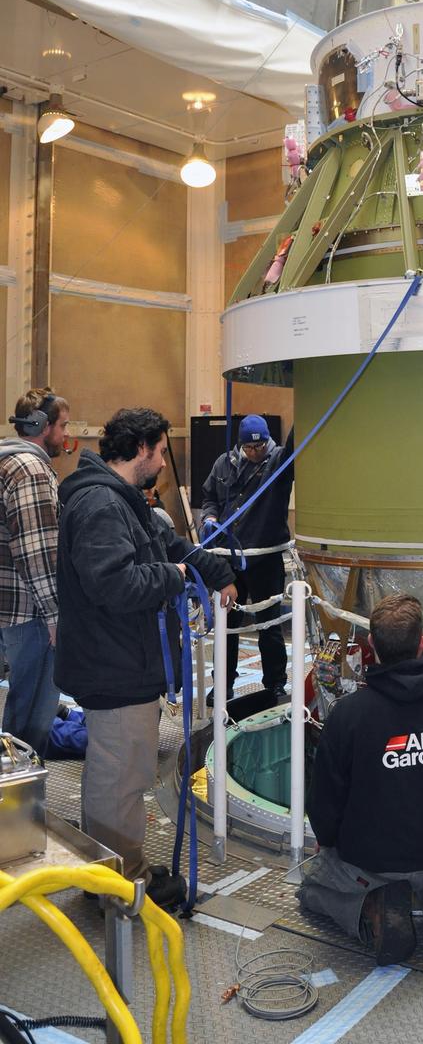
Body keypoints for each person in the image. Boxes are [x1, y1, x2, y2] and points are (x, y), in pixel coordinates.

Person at [54, 408, 238, 908]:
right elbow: (113, 584)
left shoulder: (123, 502)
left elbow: (169, 544)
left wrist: (216, 572)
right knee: (121, 777)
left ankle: (112, 868)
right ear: (140, 450)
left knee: (118, 771)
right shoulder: (99, 505)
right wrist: (175, 576)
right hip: (113, 668)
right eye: (159, 452)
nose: (161, 462)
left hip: (121, 663)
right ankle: (121, 886)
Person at [300, 594, 423, 965]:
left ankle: (373, 910)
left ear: (372, 645)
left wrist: (327, 841)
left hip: (371, 861)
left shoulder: (347, 716)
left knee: (310, 888)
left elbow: (324, 801)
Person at [200, 415, 293, 701]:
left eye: (260, 446)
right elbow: (210, 497)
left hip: (265, 556)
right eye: (249, 448)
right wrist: (210, 517)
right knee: (227, 625)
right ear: (240, 445)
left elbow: (294, 445)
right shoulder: (223, 463)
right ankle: (223, 684)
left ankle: (275, 683)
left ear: (268, 440)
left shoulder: (279, 461)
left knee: (270, 625)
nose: (255, 452)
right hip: (229, 557)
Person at [0, 389, 70, 758]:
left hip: (8, 607)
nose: (64, 435)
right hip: (29, 613)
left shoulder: (4, 462)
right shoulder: (31, 470)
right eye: (63, 426)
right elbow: (37, 552)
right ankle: (19, 808)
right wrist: (57, 618)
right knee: (29, 719)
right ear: (42, 426)